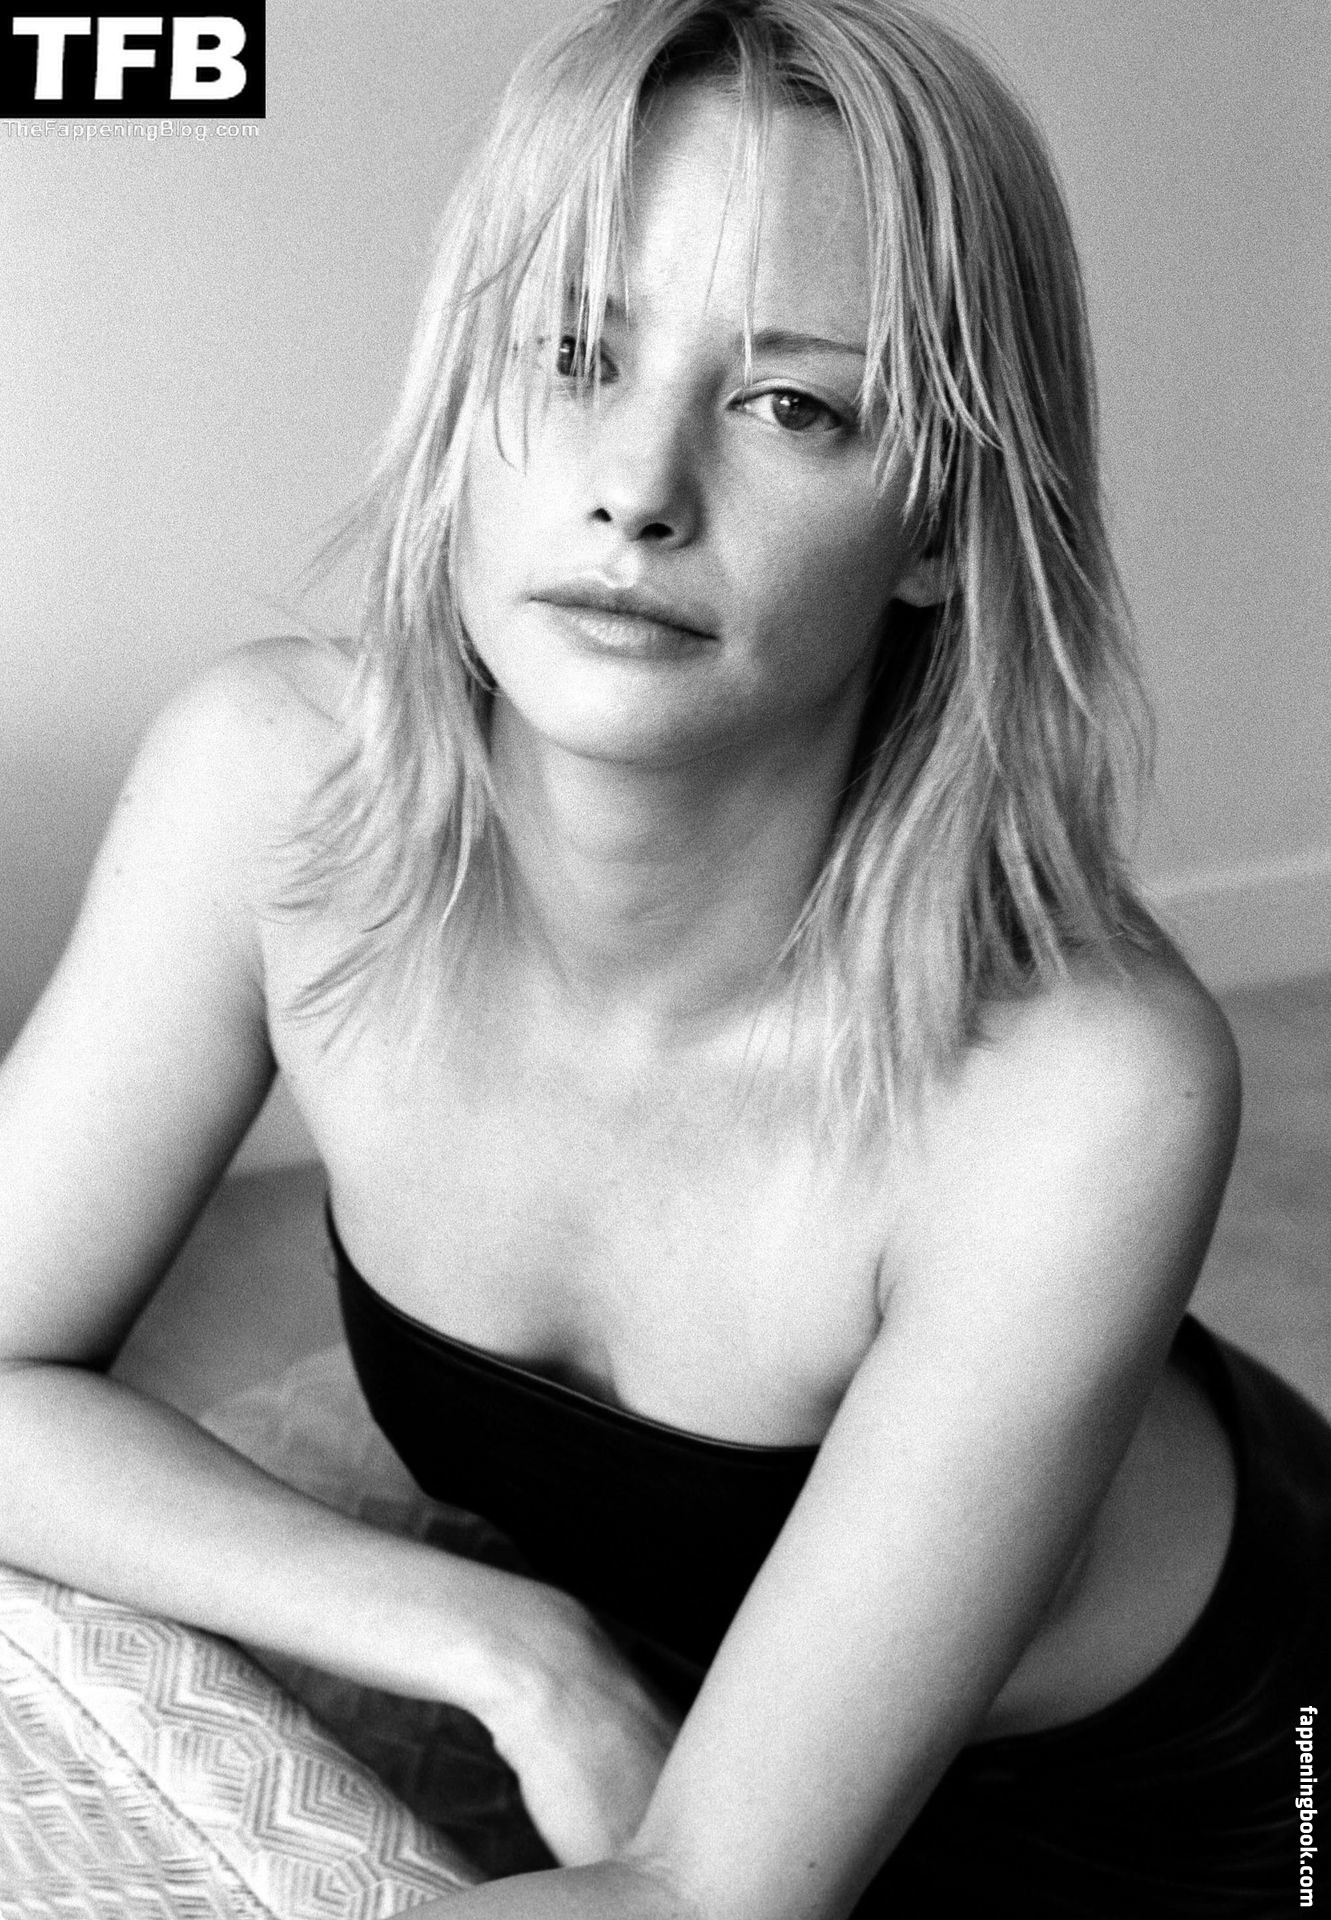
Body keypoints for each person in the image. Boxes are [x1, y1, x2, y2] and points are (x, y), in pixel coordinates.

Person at [0, 1, 1327, 1914]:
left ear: (941, 525)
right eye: (570, 352)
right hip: (674, 1682)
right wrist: (500, 1640)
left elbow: (712, 1892)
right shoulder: (270, 792)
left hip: (1196, 1802)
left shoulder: (1081, 1081)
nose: (637, 485)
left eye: (794, 405)